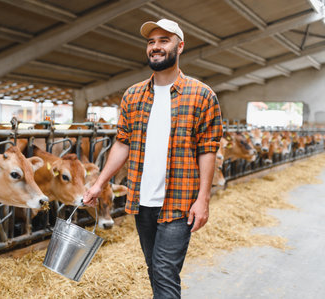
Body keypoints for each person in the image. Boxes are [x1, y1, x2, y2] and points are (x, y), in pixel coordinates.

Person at [83, 19, 223, 298]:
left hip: (180, 202)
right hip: (142, 201)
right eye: (151, 42)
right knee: (154, 268)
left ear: (180, 46)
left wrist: (203, 199)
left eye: (164, 40)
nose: (156, 47)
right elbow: (122, 143)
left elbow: (207, 149)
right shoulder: (133, 96)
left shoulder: (202, 95)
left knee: (163, 270)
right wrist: (99, 183)